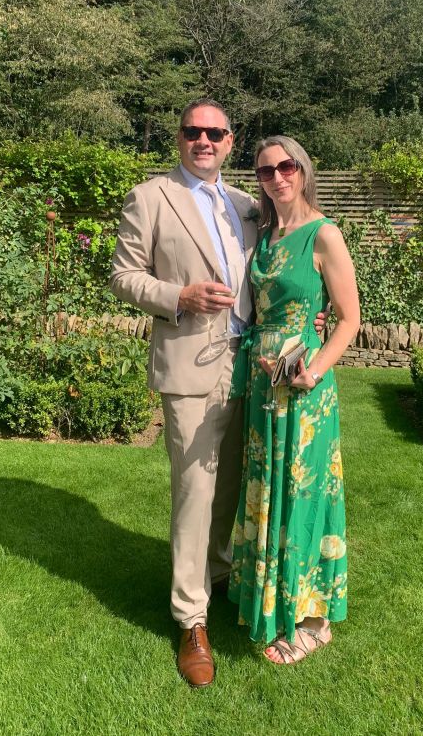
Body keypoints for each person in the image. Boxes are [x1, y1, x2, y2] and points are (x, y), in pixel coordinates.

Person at [110, 99, 329, 688]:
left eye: (216, 133)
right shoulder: (150, 197)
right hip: (190, 371)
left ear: (231, 143)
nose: (204, 140)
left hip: (254, 373)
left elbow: (289, 269)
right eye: (193, 132)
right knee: (194, 494)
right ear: (179, 139)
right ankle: (191, 618)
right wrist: (179, 296)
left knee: (234, 486)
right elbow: (123, 275)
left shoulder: (246, 205)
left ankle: (219, 575)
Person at [228, 135, 360, 664]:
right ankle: (269, 596)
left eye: (287, 167)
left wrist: (313, 370)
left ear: (303, 171)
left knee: (304, 492)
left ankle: (313, 618)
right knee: (268, 487)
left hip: (304, 383)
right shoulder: (263, 235)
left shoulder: (323, 234)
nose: (277, 177)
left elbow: (347, 319)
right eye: (265, 171)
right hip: (264, 379)